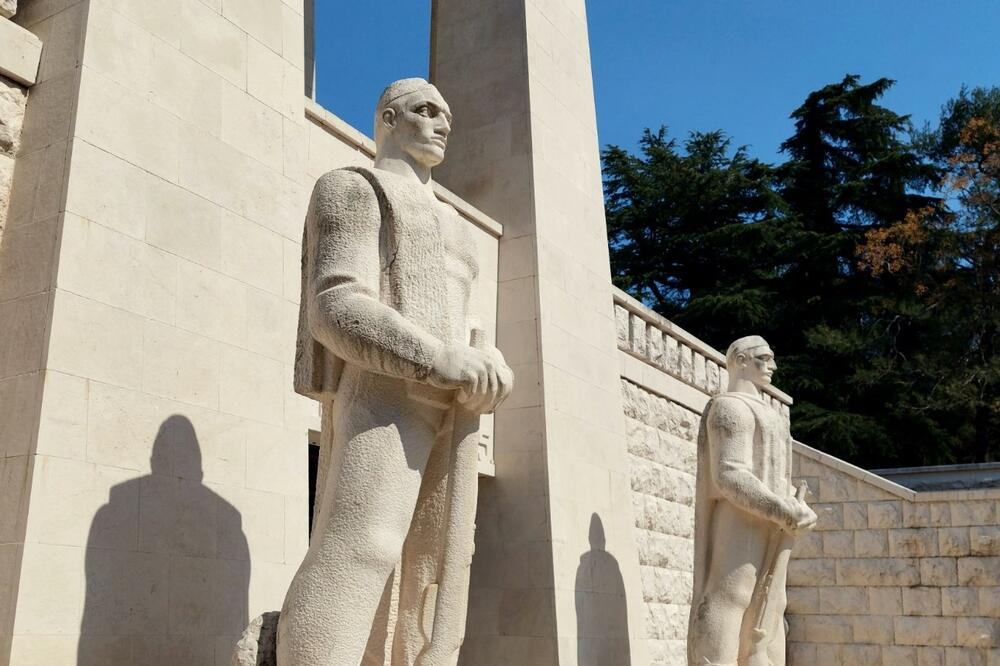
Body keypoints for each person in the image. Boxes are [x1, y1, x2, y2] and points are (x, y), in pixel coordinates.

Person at [277, 78, 513, 666]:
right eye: (426, 111)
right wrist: (435, 357)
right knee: (363, 546)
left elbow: (470, 328)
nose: (441, 124)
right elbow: (336, 303)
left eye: (447, 117)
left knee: (441, 570)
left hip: (458, 405)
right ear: (388, 117)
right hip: (386, 389)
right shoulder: (353, 188)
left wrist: (492, 365)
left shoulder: (458, 227)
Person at [688, 336, 816, 666]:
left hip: (774, 516)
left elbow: (776, 473)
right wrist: (779, 507)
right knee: (733, 594)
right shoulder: (729, 407)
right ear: (741, 360)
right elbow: (729, 473)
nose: (772, 366)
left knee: (773, 601)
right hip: (740, 516)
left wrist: (794, 506)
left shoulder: (772, 416)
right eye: (764, 358)